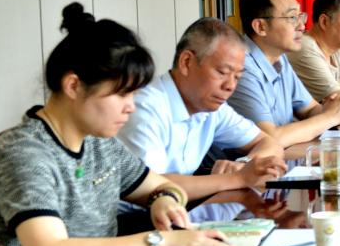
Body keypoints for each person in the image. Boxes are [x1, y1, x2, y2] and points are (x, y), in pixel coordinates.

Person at [0, 4, 232, 246]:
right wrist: (159, 241)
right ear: (74, 86)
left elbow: (162, 186)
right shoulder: (24, 154)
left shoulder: (99, 143)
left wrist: (162, 201)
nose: (131, 106)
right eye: (122, 94)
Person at [118, 17, 286, 203]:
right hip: (134, 215)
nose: (230, 86)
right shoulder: (145, 107)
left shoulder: (211, 106)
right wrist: (238, 178)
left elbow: (270, 144)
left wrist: (244, 165)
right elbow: (151, 186)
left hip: (179, 208)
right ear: (186, 62)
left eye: (237, 77)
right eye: (222, 72)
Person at [227, 0, 340, 146]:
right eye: (292, 18)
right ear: (260, 27)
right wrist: (330, 117)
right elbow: (268, 139)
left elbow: (309, 109)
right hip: (241, 161)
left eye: (300, 17)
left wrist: (338, 108)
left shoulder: (279, 58)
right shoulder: (240, 68)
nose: (302, 26)